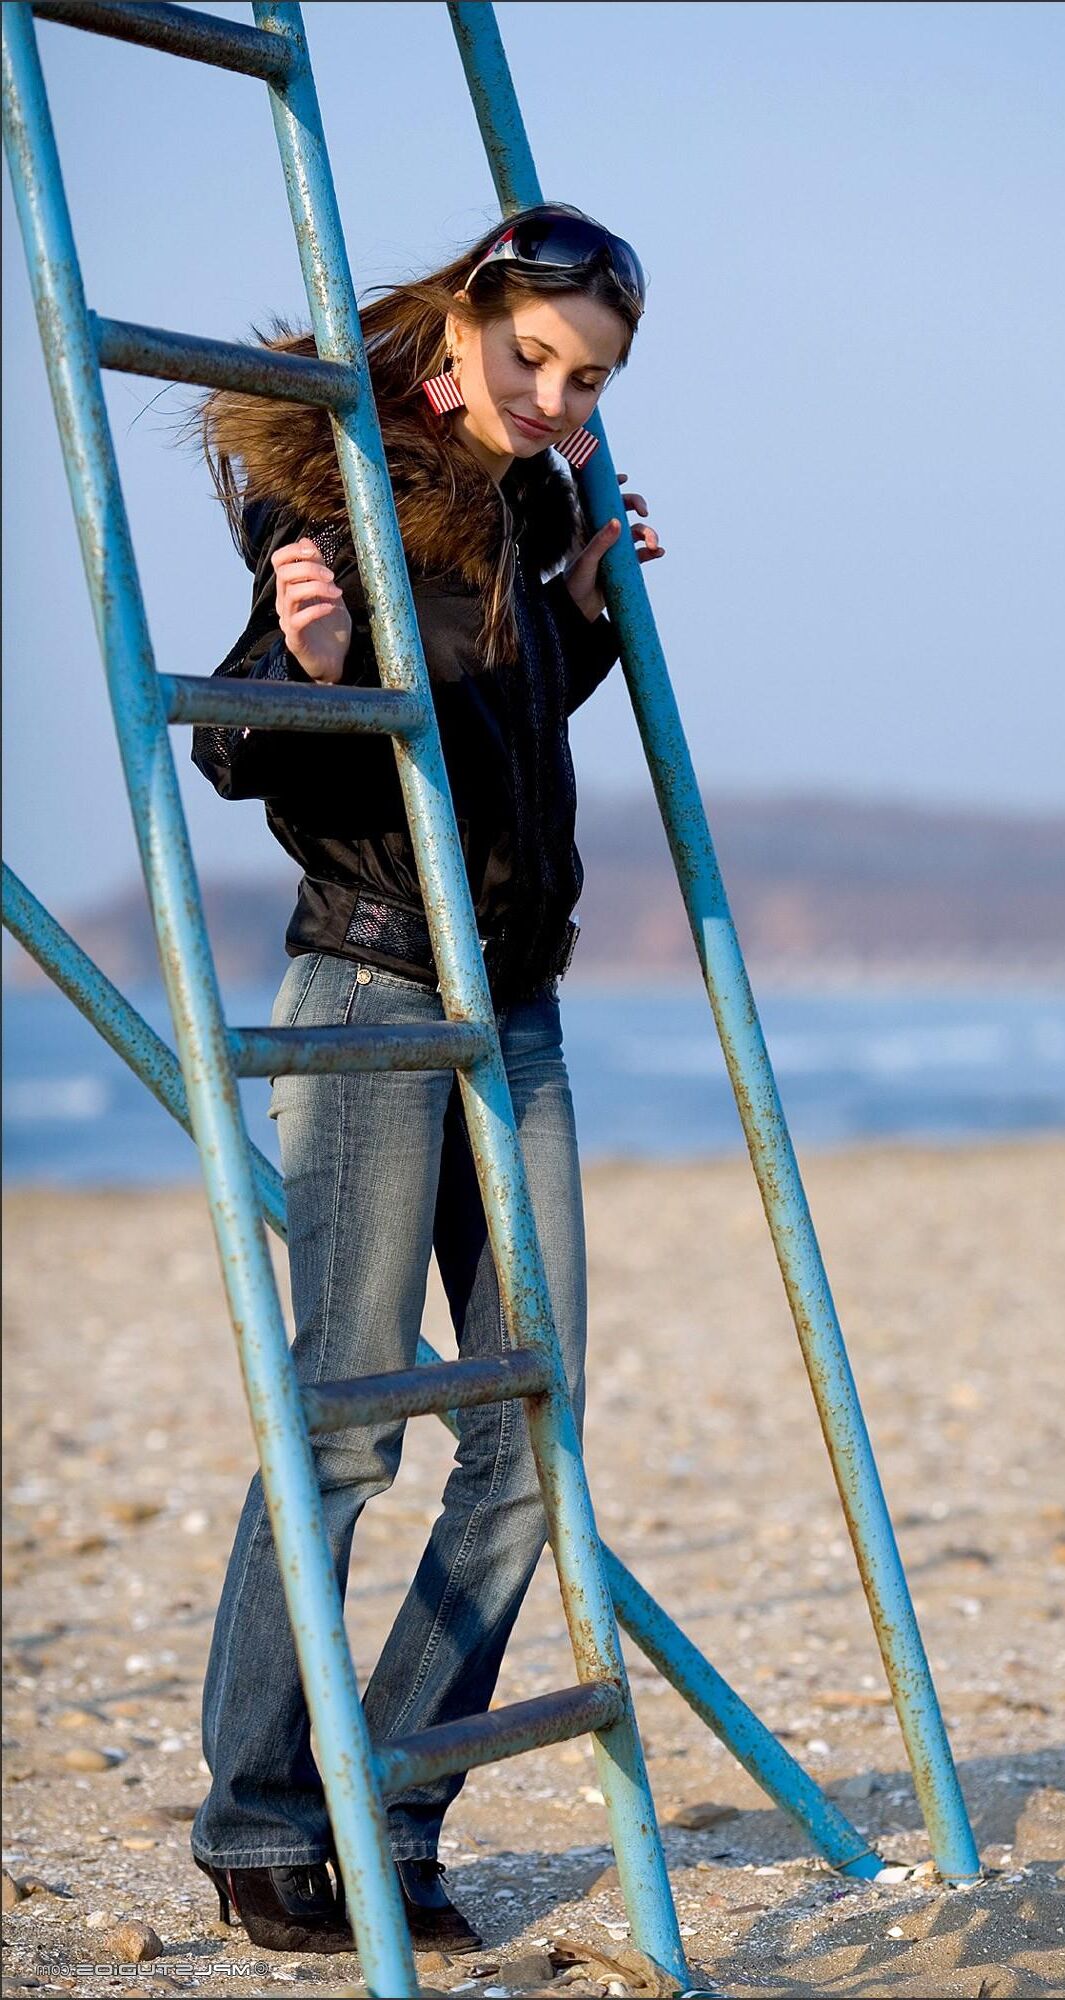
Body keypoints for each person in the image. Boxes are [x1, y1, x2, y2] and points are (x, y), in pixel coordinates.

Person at [185, 205, 663, 1956]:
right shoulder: (338, 480)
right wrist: (300, 667)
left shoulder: (540, 505)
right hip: (375, 988)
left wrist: (585, 611)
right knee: (345, 1431)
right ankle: (254, 1819)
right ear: (459, 328)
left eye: (588, 375)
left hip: (514, 1000)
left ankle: (392, 1802)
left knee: (532, 1440)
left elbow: (491, 730)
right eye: (530, 356)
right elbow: (237, 739)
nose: (552, 395)